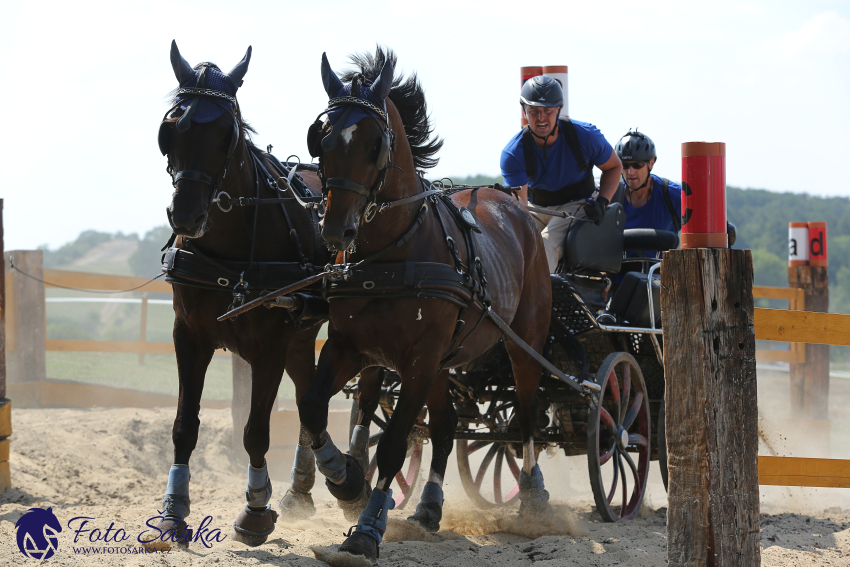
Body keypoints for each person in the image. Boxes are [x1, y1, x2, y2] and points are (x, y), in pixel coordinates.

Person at [500, 76, 623, 273]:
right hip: (536, 207)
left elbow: (614, 167)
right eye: (534, 111)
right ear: (524, 111)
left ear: (558, 109)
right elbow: (521, 207)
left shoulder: (586, 136)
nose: (541, 118)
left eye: (547, 111)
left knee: (546, 245)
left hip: (577, 202)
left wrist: (602, 201)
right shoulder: (513, 153)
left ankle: (541, 302)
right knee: (511, 246)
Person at [613, 129, 681, 240]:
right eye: (624, 165)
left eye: (637, 165)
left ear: (651, 164)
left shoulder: (673, 195)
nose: (631, 172)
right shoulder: (612, 197)